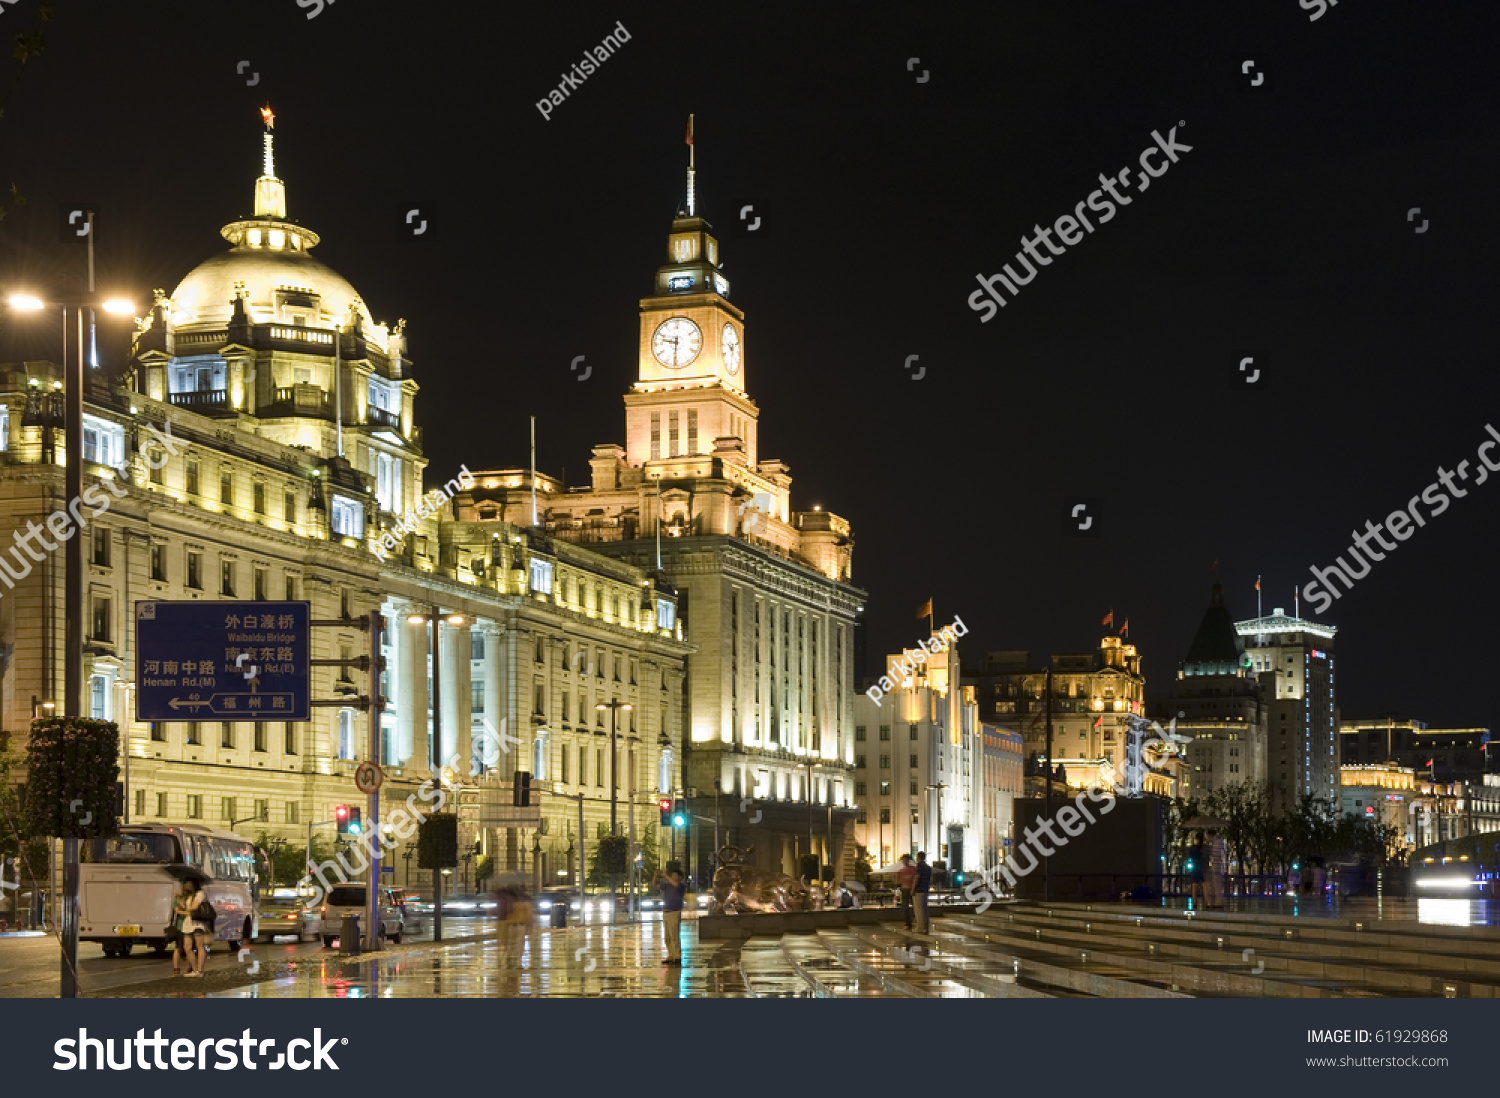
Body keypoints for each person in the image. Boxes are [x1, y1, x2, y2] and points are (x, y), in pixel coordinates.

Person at [171, 875, 209, 977]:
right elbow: (180, 907)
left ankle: (200, 970)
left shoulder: (200, 894)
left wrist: (182, 911)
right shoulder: (187, 896)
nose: (186, 885)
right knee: (187, 947)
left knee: (199, 945)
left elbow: (194, 907)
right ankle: (194, 969)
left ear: (193, 883)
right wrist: (179, 897)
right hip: (187, 923)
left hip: (197, 923)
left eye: (188, 883)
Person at [653, 866, 687, 965]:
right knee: (667, 936)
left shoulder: (681, 886)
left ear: (680, 877)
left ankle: (677, 956)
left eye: (675, 875)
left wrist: (665, 875)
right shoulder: (667, 885)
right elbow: (655, 886)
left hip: (674, 912)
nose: (673, 877)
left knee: (674, 935)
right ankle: (671, 955)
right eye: (672, 875)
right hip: (666, 911)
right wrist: (655, 876)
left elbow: (675, 885)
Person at [912, 851, 933, 934]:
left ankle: (920, 927)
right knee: (924, 909)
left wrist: (913, 889)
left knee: (918, 910)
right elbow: (931, 879)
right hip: (925, 889)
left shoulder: (919, 867)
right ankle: (926, 927)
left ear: (918, 858)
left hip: (919, 890)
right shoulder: (928, 867)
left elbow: (917, 878)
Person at [895, 854, 917, 930]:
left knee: (915, 907)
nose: (905, 862)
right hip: (904, 889)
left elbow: (916, 879)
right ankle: (908, 923)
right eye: (904, 860)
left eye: (906, 860)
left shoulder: (914, 869)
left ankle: (914, 921)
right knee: (905, 907)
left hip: (911, 889)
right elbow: (898, 881)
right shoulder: (901, 871)